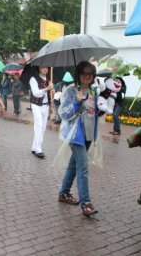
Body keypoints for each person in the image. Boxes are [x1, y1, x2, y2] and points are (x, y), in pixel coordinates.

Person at [57, 61, 99, 217]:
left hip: (88, 133)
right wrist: (77, 102)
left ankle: (63, 193)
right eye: (84, 73)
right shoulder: (70, 90)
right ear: (78, 75)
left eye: (90, 73)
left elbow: (95, 111)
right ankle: (86, 203)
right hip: (75, 135)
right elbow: (64, 114)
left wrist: (100, 110)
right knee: (83, 167)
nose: (87, 76)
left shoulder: (94, 91)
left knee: (74, 166)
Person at [29, 66, 53, 158]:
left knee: (43, 127)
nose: (45, 69)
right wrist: (47, 88)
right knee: (38, 125)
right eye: (43, 67)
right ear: (39, 68)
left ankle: (34, 147)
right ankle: (39, 149)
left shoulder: (49, 79)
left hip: (46, 105)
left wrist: (52, 91)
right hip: (36, 104)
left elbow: (48, 93)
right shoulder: (33, 79)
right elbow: (35, 93)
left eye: (47, 67)